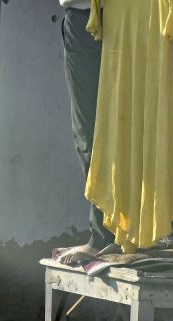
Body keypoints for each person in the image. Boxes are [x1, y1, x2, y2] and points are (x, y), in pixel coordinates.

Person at [54, 0, 117, 266]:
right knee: (106, 128)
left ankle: (104, 235)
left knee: (90, 131)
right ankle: (110, 231)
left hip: (95, 18)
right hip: (118, 18)